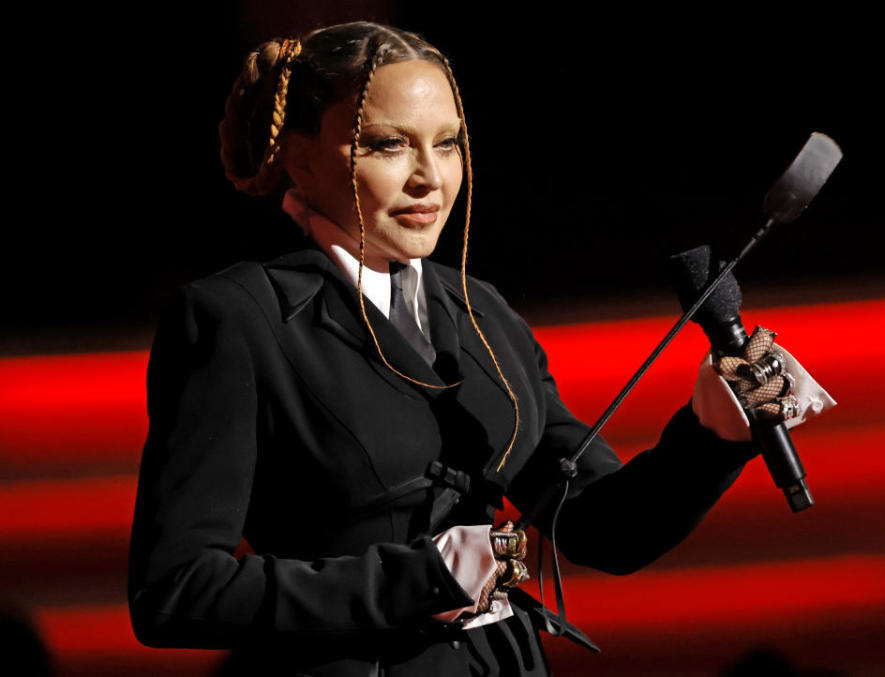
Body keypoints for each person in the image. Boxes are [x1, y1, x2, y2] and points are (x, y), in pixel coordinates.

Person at [127, 21, 832, 676]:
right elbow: (176, 587)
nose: (429, 178)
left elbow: (601, 528)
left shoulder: (482, 312)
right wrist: (410, 580)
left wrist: (710, 434)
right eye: (386, 143)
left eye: (448, 142)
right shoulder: (237, 319)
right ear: (300, 159)